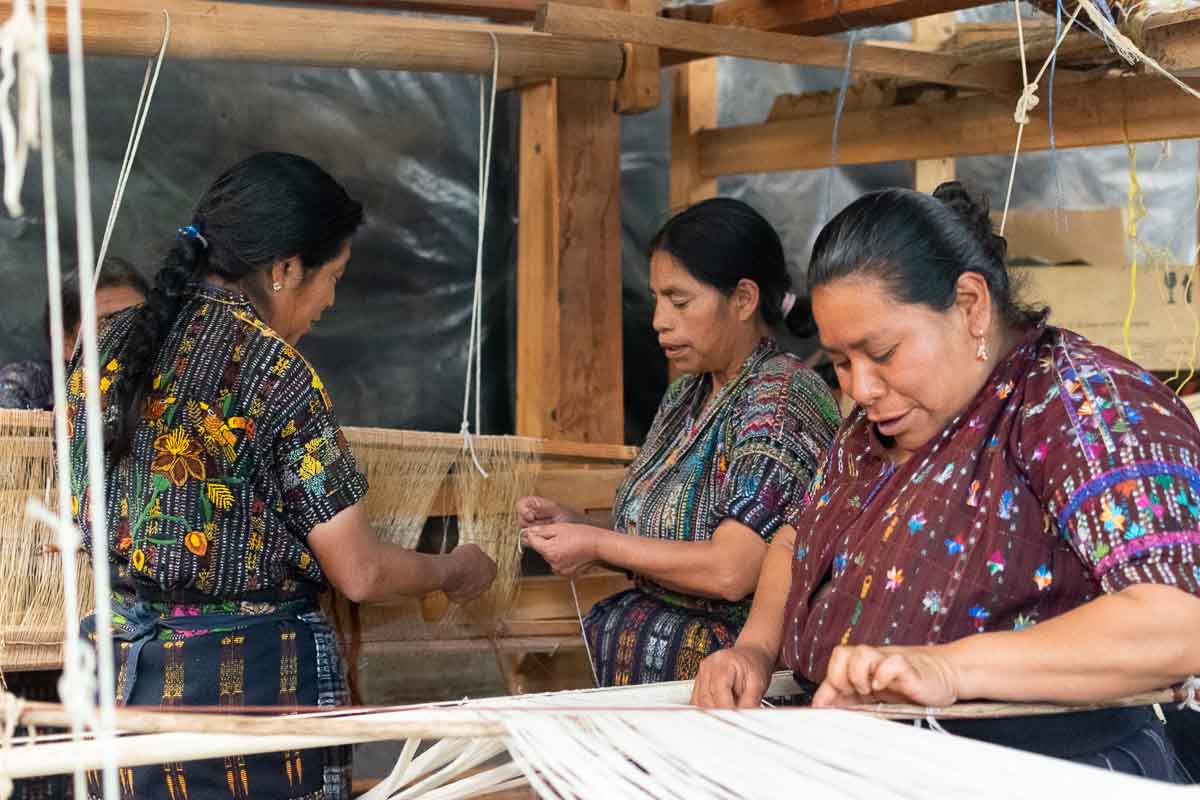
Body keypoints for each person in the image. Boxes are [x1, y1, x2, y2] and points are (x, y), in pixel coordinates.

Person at [691, 183, 1200, 781]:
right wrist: (756, 648)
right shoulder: (874, 428)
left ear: (971, 305)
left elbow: (1177, 621)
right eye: (842, 362)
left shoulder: (1079, 406)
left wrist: (948, 670)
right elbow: (794, 539)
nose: (860, 387)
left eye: (881, 351)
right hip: (865, 764)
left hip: (1046, 772)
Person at [65, 152, 497, 799]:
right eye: (333, 277)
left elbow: (79, 509)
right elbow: (359, 571)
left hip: (114, 676)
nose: (329, 300)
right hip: (247, 691)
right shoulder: (275, 374)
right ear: (286, 267)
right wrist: (453, 569)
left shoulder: (103, 347)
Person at [520, 198, 840, 686]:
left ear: (743, 299)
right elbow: (665, 538)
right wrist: (581, 529)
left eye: (680, 301)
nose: (658, 321)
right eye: (657, 299)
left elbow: (734, 570)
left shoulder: (782, 399)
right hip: (653, 692)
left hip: (725, 692)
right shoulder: (685, 396)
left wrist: (600, 542)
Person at [0, 258, 148, 410]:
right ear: (66, 344)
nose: (128, 333)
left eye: (138, 318)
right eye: (107, 323)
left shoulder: (167, 386)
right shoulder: (24, 388)